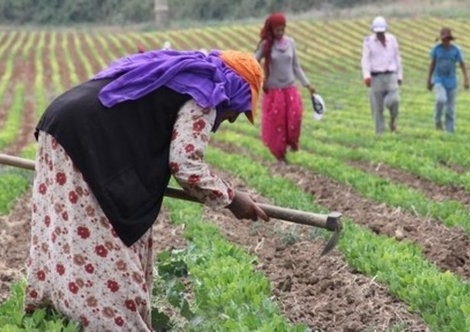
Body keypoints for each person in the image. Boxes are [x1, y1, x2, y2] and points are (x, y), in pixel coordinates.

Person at [24, 49, 269, 331]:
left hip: (61, 124)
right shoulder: (207, 93)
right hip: (83, 138)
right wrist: (232, 199)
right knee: (105, 251)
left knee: (64, 235)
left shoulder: (181, 77)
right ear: (234, 93)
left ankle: (54, 317)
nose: (233, 119)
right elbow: (186, 166)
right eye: (238, 110)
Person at [254, 12, 315, 165]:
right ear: (271, 30)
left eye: (282, 29)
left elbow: (296, 67)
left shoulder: (291, 43)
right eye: (277, 30)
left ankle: (291, 145)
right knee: (277, 124)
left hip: (290, 89)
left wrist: (307, 84)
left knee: (295, 118)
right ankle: (280, 155)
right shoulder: (266, 45)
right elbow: (254, 62)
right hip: (275, 91)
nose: (280, 33)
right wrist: (262, 79)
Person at [361, 16, 403, 135]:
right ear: (374, 30)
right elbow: (365, 59)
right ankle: (379, 134)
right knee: (377, 108)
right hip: (376, 77)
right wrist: (366, 75)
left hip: (391, 75)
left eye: (382, 31)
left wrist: (400, 75)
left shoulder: (392, 39)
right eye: (377, 31)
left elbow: (397, 57)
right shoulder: (368, 41)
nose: (380, 33)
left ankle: (393, 120)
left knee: (394, 100)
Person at [426, 27, 470, 133]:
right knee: (441, 99)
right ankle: (437, 121)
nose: (445, 41)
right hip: (438, 79)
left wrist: (466, 79)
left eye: (447, 39)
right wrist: (429, 79)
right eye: (443, 39)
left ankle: (449, 131)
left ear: (450, 39)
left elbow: (462, 64)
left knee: (450, 108)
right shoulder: (436, 49)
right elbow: (432, 64)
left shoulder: (456, 50)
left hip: (452, 81)